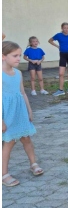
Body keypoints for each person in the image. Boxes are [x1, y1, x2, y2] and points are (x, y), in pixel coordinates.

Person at [2, 41, 41, 186]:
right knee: (9, 142)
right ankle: (4, 174)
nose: (19, 58)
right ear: (3, 56)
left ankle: (33, 163)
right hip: (7, 113)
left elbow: (23, 93)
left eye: (19, 55)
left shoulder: (18, 73)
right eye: (15, 56)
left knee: (26, 138)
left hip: (20, 111)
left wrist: (29, 110)